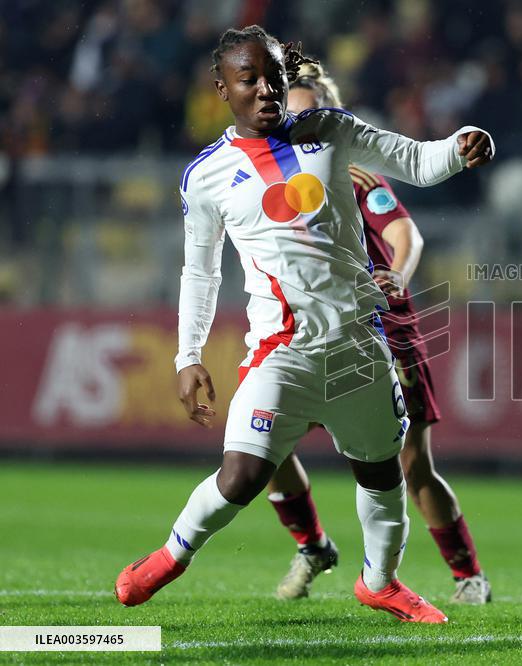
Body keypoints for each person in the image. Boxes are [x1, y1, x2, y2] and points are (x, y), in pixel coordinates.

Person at [113, 26, 494, 625]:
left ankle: (381, 583)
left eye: (274, 78)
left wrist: (459, 146)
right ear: (222, 89)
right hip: (281, 352)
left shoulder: (330, 130)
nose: (266, 91)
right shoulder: (206, 176)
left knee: (380, 472)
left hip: (356, 347)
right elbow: (200, 272)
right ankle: (169, 556)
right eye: (250, 81)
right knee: (240, 475)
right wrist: (187, 358)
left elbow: (414, 161)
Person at [266, 61, 490, 604]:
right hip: (307, 327)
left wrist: (398, 274)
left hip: (379, 324)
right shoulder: (266, 175)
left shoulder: (356, 172)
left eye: (311, 107)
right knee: (265, 447)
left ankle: (468, 577)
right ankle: (313, 545)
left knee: (412, 464)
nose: (301, 118)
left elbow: (403, 233)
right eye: (292, 109)